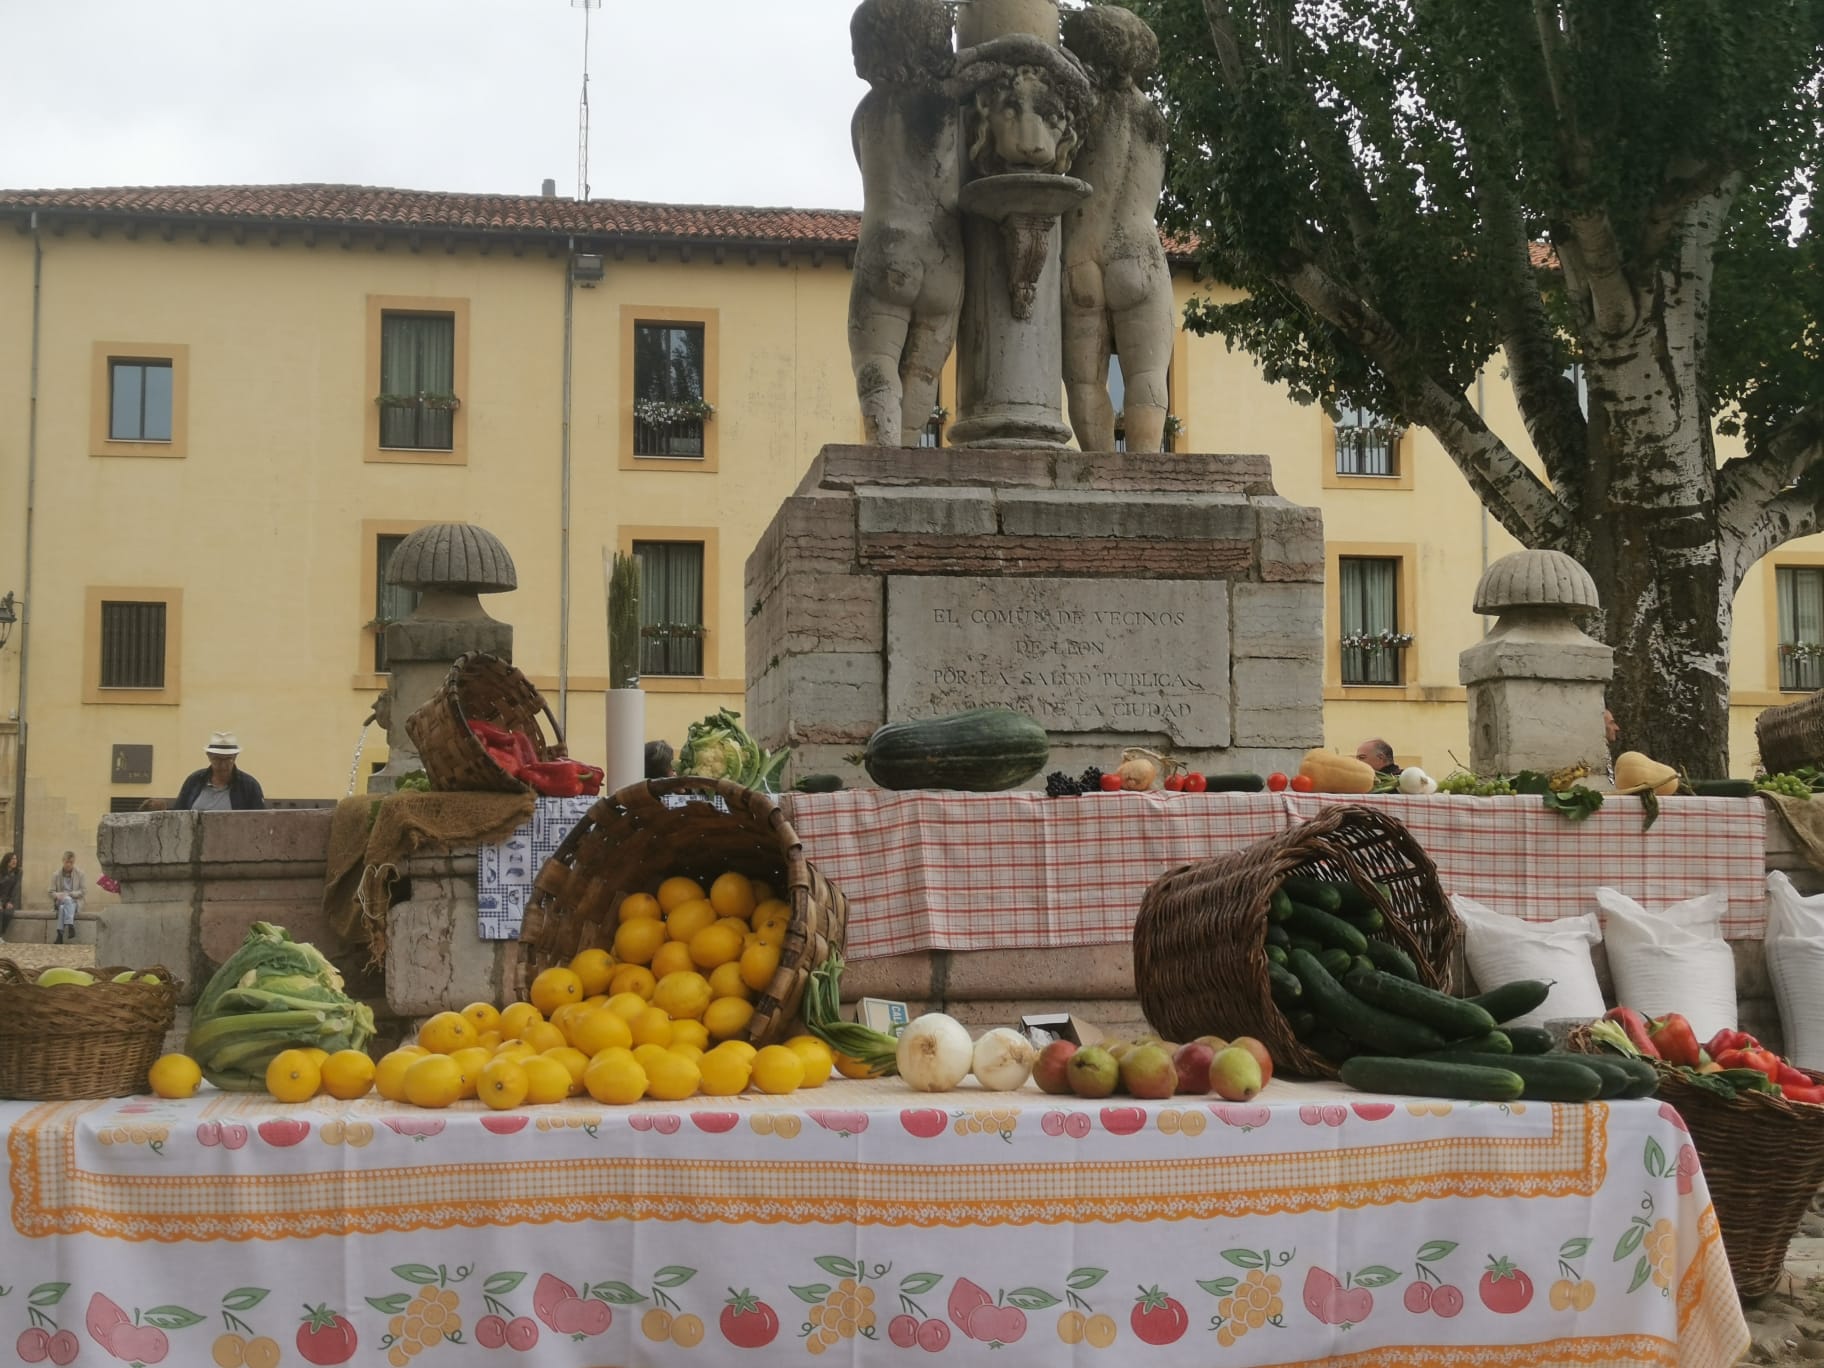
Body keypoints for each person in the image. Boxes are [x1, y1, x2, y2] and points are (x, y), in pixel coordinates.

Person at [1061, 4, 1176, 454]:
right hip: (1139, 251)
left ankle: (1099, 469)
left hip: (1079, 252)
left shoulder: (1077, 108)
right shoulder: (1153, 117)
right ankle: (1145, 473)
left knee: (1085, 382)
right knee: (1146, 377)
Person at [175, 731, 267, 811]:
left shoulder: (249, 786)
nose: (223, 765)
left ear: (235, 757)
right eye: (217, 759)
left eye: (228, 759)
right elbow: (178, 812)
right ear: (209, 756)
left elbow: (260, 818)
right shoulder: (194, 781)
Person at [48, 850, 83, 945]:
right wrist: (57, 895)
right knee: (64, 901)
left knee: (63, 908)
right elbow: (50, 892)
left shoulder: (80, 874)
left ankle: (59, 936)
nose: (69, 864)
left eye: (71, 862)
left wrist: (70, 894)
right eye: (67, 862)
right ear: (63, 861)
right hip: (60, 900)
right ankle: (70, 925)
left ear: (74, 862)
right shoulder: (56, 875)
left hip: (74, 902)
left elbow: (83, 891)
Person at [0, 850, 18, 941]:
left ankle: (0, 934)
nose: (15, 861)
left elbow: (16, 888)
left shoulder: (18, 872)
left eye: (15, 859)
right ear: (7, 861)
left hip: (10, 900)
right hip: (0, 899)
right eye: (12, 859)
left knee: (8, 913)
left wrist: (10, 901)